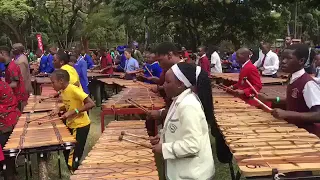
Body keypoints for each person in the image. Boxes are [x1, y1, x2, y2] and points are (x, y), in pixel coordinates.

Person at [150, 62, 215, 180]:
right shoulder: (179, 100)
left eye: (168, 82)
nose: (163, 86)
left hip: (193, 175)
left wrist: (164, 148)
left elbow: (193, 145)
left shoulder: (188, 105)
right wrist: (162, 138)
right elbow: (177, 129)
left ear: (180, 84)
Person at [260, 44, 320, 137]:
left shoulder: (308, 84)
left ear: (301, 61)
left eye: (288, 58)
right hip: (295, 132)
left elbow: (318, 115)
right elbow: (294, 100)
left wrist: (287, 114)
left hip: (308, 136)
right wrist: (271, 99)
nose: (283, 61)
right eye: (282, 58)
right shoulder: (292, 78)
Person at [49, 69, 94, 172]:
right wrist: (59, 109)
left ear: (61, 81)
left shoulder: (73, 89)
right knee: (66, 152)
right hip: (71, 125)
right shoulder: (63, 91)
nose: (52, 85)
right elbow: (69, 105)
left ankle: (75, 173)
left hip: (80, 126)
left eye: (53, 82)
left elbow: (91, 103)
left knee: (73, 160)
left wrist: (73, 111)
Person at [0, 80, 20, 180]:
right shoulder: (3, 83)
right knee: (8, 155)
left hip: (5, 123)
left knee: (6, 155)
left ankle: (9, 175)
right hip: (10, 120)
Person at [0, 46, 28, 111]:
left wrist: (3, 86)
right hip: (15, 97)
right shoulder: (8, 65)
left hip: (18, 98)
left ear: (3, 54)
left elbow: (15, 84)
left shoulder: (11, 66)